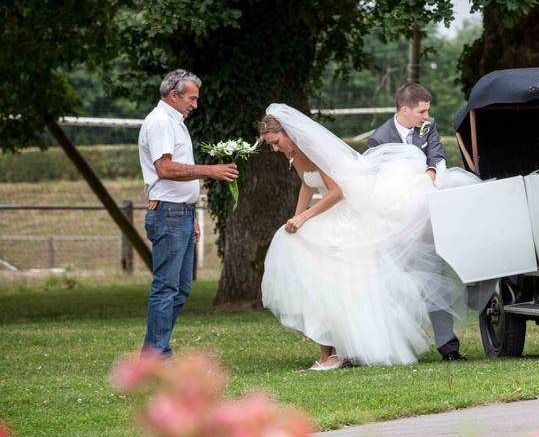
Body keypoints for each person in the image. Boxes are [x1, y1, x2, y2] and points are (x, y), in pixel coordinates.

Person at [259, 104, 472, 369]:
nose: (274, 149)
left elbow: (337, 192)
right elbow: (307, 184)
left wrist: (305, 218)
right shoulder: (293, 153)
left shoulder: (313, 151)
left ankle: (339, 352)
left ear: (288, 133)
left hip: (348, 216)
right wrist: (296, 218)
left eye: (276, 142)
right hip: (330, 214)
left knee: (339, 284)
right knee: (308, 265)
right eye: (270, 144)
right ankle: (332, 352)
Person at [138, 69, 238, 358]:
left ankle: (153, 351)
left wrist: (189, 212)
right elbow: (165, 169)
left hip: (179, 213)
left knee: (180, 289)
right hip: (167, 214)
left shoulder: (175, 122)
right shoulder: (160, 123)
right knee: (166, 288)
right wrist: (211, 170)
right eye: (191, 98)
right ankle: (156, 355)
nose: (195, 104)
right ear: (174, 95)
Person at [366, 83, 467, 361]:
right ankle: (397, 346)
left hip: (426, 221)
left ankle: (449, 347)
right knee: (399, 286)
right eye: (422, 111)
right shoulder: (378, 139)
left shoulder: (428, 127)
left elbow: (437, 156)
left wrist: (431, 174)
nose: (426, 116)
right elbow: (380, 184)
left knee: (437, 280)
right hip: (395, 225)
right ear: (404, 110)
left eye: (428, 111)